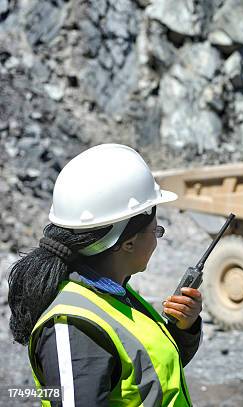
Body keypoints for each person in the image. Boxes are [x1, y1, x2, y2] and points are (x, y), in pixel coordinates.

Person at [8, 144, 202, 406]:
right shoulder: (75, 326)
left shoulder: (114, 296)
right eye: (156, 231)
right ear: (128, 242)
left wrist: (184, 328)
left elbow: (151, 375)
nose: (157, 240)